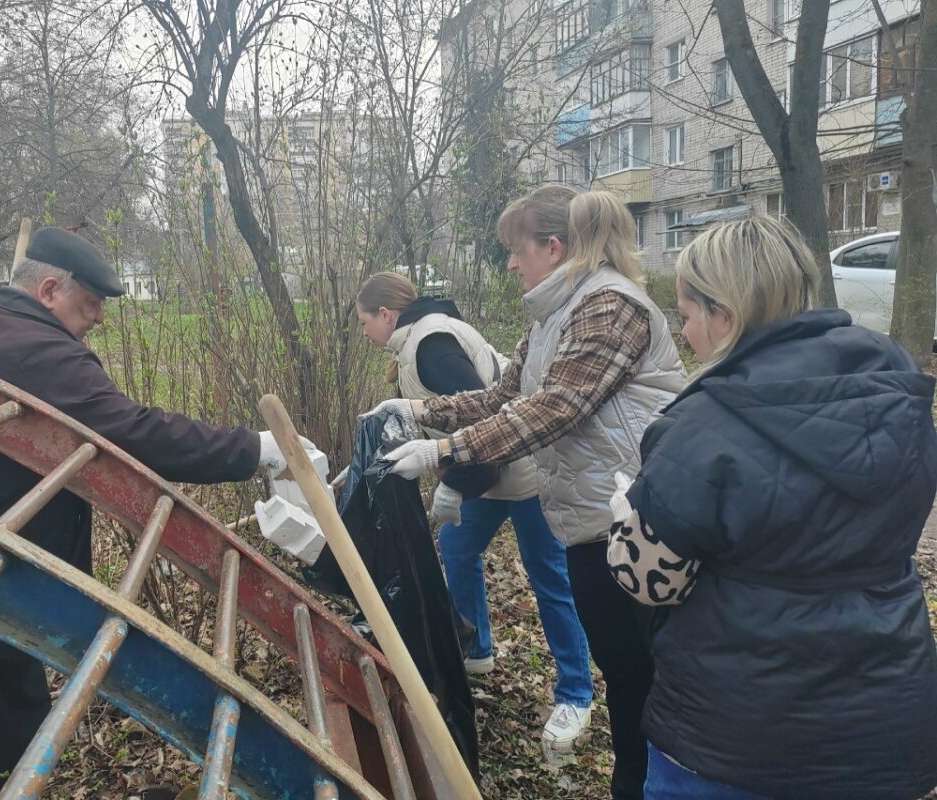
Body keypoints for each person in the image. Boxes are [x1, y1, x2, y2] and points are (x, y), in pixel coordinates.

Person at [0, 227, 308, 800]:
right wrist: (255, 449)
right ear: (50, 290)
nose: (98, 320)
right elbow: (133, 434)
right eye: (90, 305)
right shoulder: (39, 350)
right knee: (0, 753)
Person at [365, 187, 685, 799]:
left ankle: (643, 785)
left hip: (638, 521)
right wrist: (416, 409)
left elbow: (555, 409)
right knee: (624, 671)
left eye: (517, 250)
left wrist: (443, 453)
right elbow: (502, 399)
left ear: (553, 247)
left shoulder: (610, 307)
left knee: (644, 678)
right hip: (593, 520)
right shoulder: (552, 317)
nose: (511, 263)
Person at [607, 217, 937, 799]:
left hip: (738, 737)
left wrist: (624, 516)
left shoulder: (704, 423)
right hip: (882, 722)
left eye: (685, 315)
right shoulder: (896, 386)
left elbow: (650, 581)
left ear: (724, 316)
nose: (684, 334)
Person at [354, 271, 594, 758]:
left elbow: (488, 421)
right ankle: (477, 649)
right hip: (488, 474)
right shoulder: (419, 339)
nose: (362, 333)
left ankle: (576, 694)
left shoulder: (430, 345)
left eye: (363, 322)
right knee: (457, 551)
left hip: (517, 474)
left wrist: (455, 487)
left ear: (386, 314)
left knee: (549, 579)